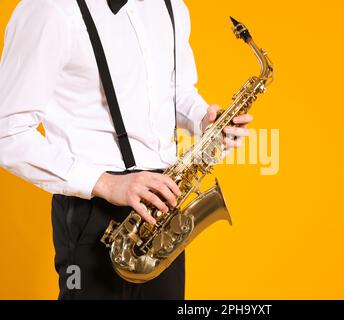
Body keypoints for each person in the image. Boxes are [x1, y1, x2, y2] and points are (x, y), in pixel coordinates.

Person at [0, 0, 252, 299]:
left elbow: (177, 92)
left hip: (163, 204)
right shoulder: (50, 9)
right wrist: (106, 183)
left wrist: (204, 118)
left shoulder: (172, 7)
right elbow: (7, 132)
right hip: (91, 208)